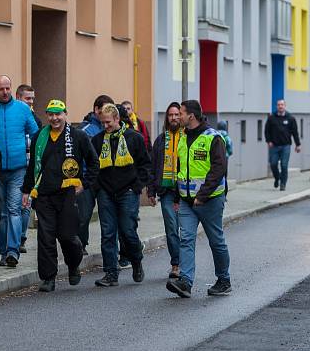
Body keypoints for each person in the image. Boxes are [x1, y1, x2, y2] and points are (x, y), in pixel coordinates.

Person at [22, 99, 99, 292]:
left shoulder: (78, 137)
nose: (55, 118)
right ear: (47, 116)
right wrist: (26, 190)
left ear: (65, 114)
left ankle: (73, 265)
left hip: (68, 195)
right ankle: (48, 278)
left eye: (58, 114)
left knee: (67, 236)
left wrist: (84, 183)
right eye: (51, 114)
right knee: (45, 237)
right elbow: (33, 167)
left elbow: (93, 163)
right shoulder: (40, 136)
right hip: (44, 195)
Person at [166, 100, 231, 298]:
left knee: (216, 240)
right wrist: (178, 196)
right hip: (186, 201)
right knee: (186, 239)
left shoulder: (213, 138)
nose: (179, 117)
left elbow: (219, 169)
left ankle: (223, 279)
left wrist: (202, 196)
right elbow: (181, 169)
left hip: (209, 200)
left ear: (191, 116)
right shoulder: (183, 137)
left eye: (182, 113)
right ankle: (185, 282)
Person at [0, 75, 39, 268]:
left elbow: (35, 133)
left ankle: (13, 251)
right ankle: (4, 252)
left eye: (8, 88)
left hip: (18, 168)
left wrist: (32, 160)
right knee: (0, 213)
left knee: (14, 209)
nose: (5, 92)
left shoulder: (22, 109)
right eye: (1, 89)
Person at [90, 103, 151, 287]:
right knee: (108, 233)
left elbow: (145, 165)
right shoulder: (98, 140)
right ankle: (111, 273)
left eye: (108, 122)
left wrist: (137, 186)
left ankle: (136, 260)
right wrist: (97, 188)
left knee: (127, 231)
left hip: (128, 192)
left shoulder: (134, 138)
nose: (105, 126)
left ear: (117, 119)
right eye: (102, 123)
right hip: (105, 193)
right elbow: (93, 167)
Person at [148, 102, 183, 279]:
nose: (174, 118)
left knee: (186, 230)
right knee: (171, 229)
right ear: (167, 118)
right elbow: (153, 166)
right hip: (167, 192)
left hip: (185, 192)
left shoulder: (187, 138)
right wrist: (151, 191)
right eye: (171, 115)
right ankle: (176, 264)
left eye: (177, 114)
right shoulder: (161, 140)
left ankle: (187, 263)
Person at [77, 94, 115, 254]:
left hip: (107, 181)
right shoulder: (85, 130)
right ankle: (80, 245)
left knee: (109, 218)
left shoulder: (113, 128)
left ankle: (113, 251)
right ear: (96, 110)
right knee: (83, 215)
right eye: (104, 109)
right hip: (86, 179)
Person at [16, 84, 42, 254]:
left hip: (29, 167)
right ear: (18, 98)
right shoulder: (13, 115)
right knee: (12, 207)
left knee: (25, 205)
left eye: (32, 98)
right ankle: (11, 239)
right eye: (27, 98)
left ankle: (21, 238)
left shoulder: (36, 120)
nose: (31, 102)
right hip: (14, 166)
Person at [264, 99, 301, 191]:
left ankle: (283, 183)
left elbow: (295, 132)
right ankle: (277, 178)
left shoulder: (290, 118)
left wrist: (298, 144)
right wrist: (269, 141)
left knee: (284, 165)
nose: (280, 106)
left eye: (282, 105)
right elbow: (266, 131)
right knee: (273, 164)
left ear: (285, 106)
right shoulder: (272, 118)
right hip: (274, 146)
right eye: (278, 105)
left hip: (286, 146)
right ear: (277, 106)